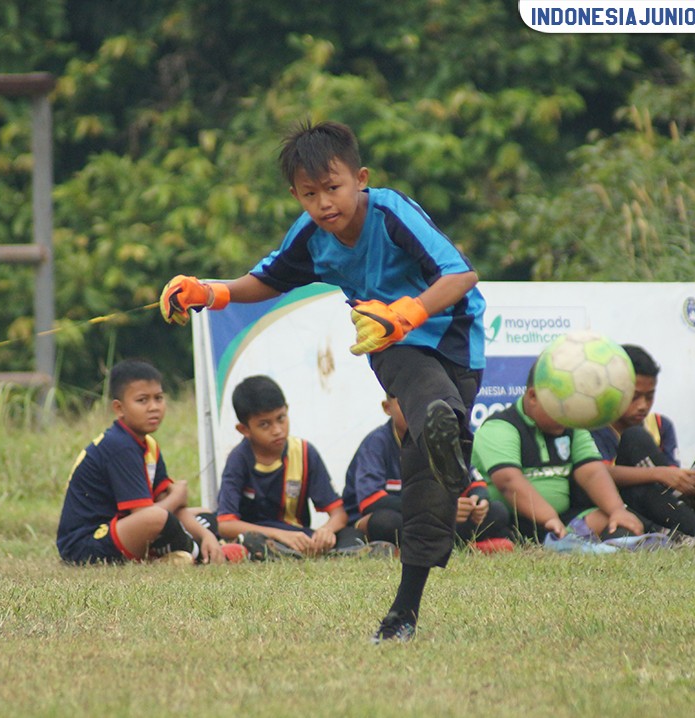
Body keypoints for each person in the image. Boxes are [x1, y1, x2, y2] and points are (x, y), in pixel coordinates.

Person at [159, 120, 486, 643]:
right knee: (428, 418)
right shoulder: (311, 237)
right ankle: (404, 610)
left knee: (431, 443)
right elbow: (265, 279)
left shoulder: (392, 212)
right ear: (296, 195)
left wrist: (407, 311)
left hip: (455, 337)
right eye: (310, 195)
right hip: (390, 344)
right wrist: (209, 291)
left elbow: (461, 275)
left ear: (360, 178)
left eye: (333, 188)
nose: (324, 204)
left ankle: (440, 436)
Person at [56, 359, 230, 565]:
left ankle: (191, 547)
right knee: (156, 518)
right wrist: (179, 495)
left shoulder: (148, 444)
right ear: (119, 408)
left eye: (158, 398)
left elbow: (165, 504)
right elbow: (150, 514)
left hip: (125, 526)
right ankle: (196, 553)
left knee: (204, 514)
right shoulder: (119, 445)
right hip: (86, 544)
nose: (153, 407)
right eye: (142, 400)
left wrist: (205, 534)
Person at [471, 358, 644, 545]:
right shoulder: (500, 427)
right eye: (561, 408)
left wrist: (617, 510)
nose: (567, 416)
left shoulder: (571, 426)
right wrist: (548, 518)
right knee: (498, 520)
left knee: (616, 522)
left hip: (563, 520)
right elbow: (509, 481)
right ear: (533, 396)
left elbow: (592, 472)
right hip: (516, 521)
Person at [213, 374, 366, 558]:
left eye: (281, 418)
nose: (277, 430)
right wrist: (279, 535)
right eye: (264, 424)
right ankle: (299, 553)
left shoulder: (304, 452)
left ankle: (329, 552)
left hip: (296, 534)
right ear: (244, 430)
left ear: (287, 410)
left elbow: (339, 513)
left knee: (352, 534)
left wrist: (326, 531)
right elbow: (226, 524)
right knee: (247, 540)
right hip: (259, 535)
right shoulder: (239, 459)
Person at [343, 394, 515, 555]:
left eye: (418, 403)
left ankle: (437, 546)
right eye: (404, 404)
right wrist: (437, 509)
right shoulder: (376, 443)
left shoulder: (439, 437)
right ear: (387, 407)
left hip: (438, 521)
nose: (413, 410)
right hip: (400, 518)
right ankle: (459, 544)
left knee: (497, 511)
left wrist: (479, 501)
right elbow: (371, 501)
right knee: (384, 522)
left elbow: (474, 482)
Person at [589, 344, 695, 547]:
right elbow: (596, 475)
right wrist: (658, 473)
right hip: (627, 506)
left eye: (649, 396)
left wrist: (692, 484)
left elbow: (669, 484)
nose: (643, 405)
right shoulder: (592, 427)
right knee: (636, 438)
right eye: (634, 397)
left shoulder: (661, 425)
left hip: (668, 504)